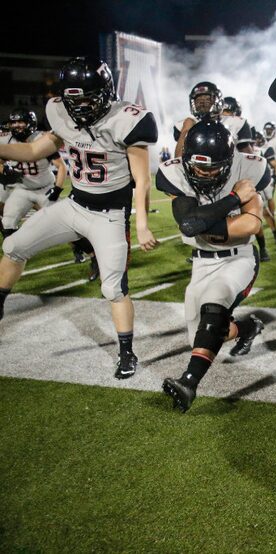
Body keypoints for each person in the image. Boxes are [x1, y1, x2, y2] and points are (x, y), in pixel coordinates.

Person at [0, 56, 158, 378]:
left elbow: (142, 179)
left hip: (109, 215)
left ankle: (127, 353)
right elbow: (32, 152)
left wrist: (141, 224)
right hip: (74, 206)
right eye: (74, 99)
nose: (80, 105)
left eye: (87, 97)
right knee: (14, 245)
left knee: (113, 288)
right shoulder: (60, 113)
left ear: (104, 92)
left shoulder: (126, 119)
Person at [157, 120, 269, 412]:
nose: (205, 174)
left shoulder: (250, 168)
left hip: (239, 257)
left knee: (215, 300)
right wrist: (233, 200)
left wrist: (206, 221)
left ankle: (189, 383)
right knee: (207, 335)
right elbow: (190, 223)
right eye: (199, 167)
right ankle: (246, 328)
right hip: (200, 263)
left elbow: (249, 226)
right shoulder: (175, 173)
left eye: (212, 167)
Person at [0, 108, 67, 235]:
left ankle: (84, 249)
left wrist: (57, 189)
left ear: (30, 123)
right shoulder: (9, 141)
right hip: (21, 189)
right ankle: (14, 251)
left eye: (20, 122)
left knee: (60, 223)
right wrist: (5, 170)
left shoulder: (41, 139)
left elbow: (61, 166)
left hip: (44, 188)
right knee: (8, 222)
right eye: (13, 123)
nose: (16, 125)